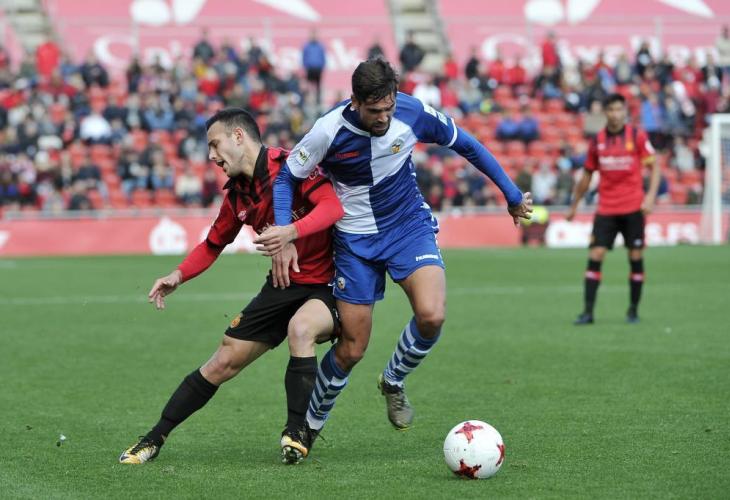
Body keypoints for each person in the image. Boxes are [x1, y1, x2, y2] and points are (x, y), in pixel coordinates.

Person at [257, 58, 532, 460]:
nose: (384, 117)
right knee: (351, 349)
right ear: (355, 102)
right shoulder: (327, 131)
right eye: (374, 111)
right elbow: (287, 178)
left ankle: (393, 380)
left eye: (388, 107)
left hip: (407, 227)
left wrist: (511, 194)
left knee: (432, 315)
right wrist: (284, 232)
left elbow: (467, 144)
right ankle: (308, 428)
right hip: (355, 241)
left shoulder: (412, 111)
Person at [118, 108, 344, 465]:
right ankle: (153, 439)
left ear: (238, 136)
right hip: (283, 284)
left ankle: (296, 432)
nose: (211, 155)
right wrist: (178, 275)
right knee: (223, 360)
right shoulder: (238, 195)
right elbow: (212, 244)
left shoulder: (293, 165)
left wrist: (291, 232)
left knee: (301, 330)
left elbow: (332, 207)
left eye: (215, 144)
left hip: (330, 283)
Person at [566, 93, 660, 325]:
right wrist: (574, 205)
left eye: (619, 110)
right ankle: (588, 313)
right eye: (611, 110)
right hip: (606, 208)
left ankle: (633, 311)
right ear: (605, 112)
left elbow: (655, 167)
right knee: (595, 254)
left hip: (633, 207)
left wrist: (650, 197)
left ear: (625, 112)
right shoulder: (597, 141)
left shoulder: (637, 136)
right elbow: (587, 175)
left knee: (635, 256)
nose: (615, 114)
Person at [301, 30, 326, 105]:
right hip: (310, 69)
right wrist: (305, 66)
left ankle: (318, 101)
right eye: (312, 35)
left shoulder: (320, 46)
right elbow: (304, 57)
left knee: (318, 86)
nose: (313, 37)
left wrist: (322, 66)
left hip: (318, 69)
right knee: (308, 86)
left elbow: (323, 57)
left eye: (314, 35)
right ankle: (307, 101)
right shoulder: (307, 46)